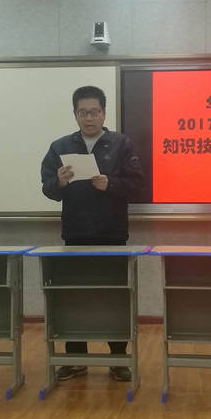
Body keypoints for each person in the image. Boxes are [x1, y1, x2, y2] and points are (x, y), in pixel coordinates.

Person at [41, 86, 144, 382]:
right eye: (83, 112)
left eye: (94, 112)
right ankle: (76, 359)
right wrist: (59, 183)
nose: (89, 118)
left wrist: (111, 184)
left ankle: (118, 359)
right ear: (75, 114)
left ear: (104, 113)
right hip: (75, 235)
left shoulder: (121, 144)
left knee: (115, 297)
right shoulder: (60, 147)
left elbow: (137, 185)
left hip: (112, 235)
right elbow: (48, 189)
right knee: (74, 297)